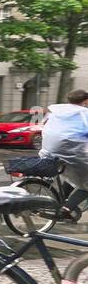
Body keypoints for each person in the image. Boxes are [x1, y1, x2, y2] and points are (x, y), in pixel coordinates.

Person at [39, 89, 88, 217]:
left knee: (72, 175)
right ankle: (65, 210)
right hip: (72, 151)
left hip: (49, 151)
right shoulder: (84, 113)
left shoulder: (57, 112)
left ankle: (61, 202)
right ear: (86, 101)